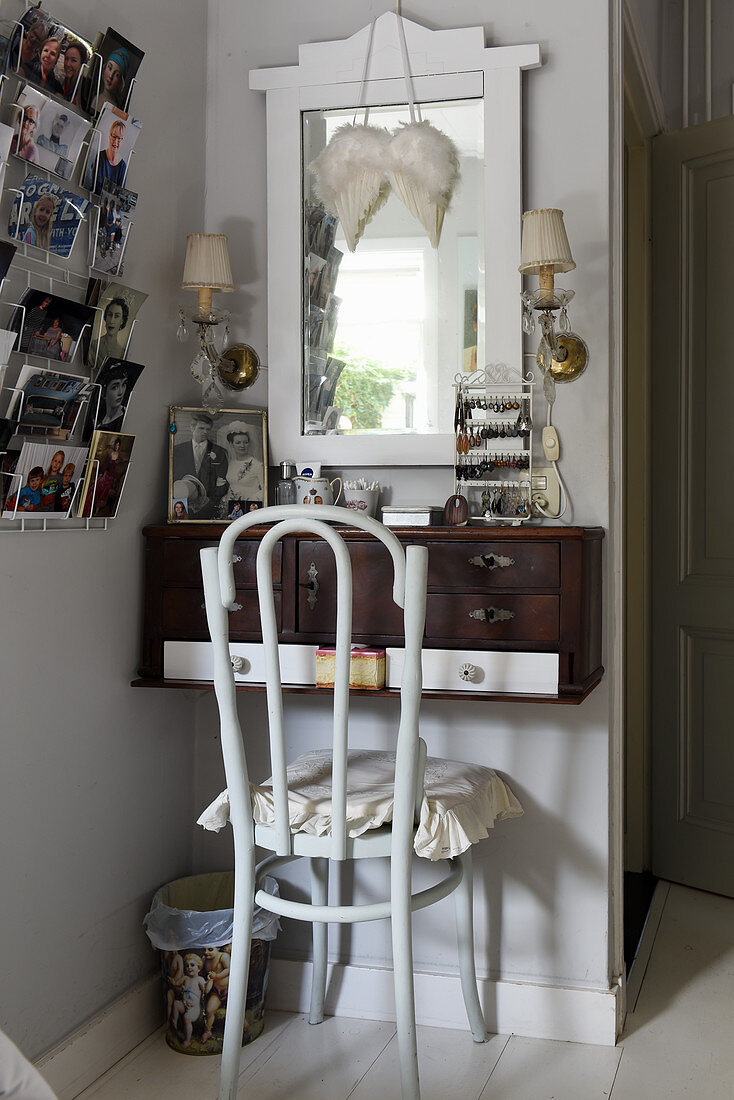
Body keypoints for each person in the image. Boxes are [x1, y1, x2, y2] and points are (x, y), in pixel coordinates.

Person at [172, 412, 229, 520]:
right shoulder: (177, 450)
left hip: (209, 507)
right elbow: (174, 477)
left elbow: (224, 480)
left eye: (208, 429)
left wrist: (210, 503)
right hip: (182, 505)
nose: (205, 432)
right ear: (192, 428)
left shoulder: (220, 452)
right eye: (201, 428)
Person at [221, 422, 264, 512]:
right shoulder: (231, 463)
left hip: (249, 507)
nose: (242, 446)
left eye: (245, 442)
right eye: (238, 442)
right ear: (231, 444)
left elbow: (265, 490)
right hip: (231, 506)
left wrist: (251, 500)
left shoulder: (257, 464)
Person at [171, 954, 206, 1048]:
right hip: (184, 1004)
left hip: (193, 1008)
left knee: (187, 1018)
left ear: (199, 968)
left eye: (192, 965)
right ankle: (174, 1022)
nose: (189, 967)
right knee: (176, 1004)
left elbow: (205, 990)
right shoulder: (185, 978)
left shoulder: (199, 979)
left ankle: (187, 1040)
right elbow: (177, 983)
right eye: (187, 965)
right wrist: (174, 983)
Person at [201, 945, 230, 1043]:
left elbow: (228, 969)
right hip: (216, 990)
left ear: (218, 948)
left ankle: (243, 1025)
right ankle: (208, 1031)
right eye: (204, 949)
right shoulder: (205, 959)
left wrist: (217, 976)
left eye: (210, 949)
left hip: (229, 989)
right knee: (209, 1010)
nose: (206, 952)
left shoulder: (223, 956)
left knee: (235, 1008)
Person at [90, 118, 127, 195]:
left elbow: (118, 194)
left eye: (119, 138)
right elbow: (96, 186)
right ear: (109, 136)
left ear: (122, 140)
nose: (116, 142)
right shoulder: (100, 156)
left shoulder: (123, 166)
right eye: (114, 136)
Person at [90, 48, 130, 113]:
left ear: (120, 82)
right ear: (104, 68)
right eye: (110, 68)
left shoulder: (114, 108)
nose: (111, 76)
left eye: (117, 75)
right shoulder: (96, 97)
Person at [95, 297, 129, 364]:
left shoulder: (122, 353)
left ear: (122, 320)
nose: (111, 321)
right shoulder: (94, 345)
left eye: (116, 316)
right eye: (110, 315)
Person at [98, 364, 129, 431]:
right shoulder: (98, 420)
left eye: (124, 384)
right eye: (115, 387)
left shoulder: (126, 417)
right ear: (103, 392)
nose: (121, 392)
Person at [16, 13, 48, 78]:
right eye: (34, 33)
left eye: (38, 39)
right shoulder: (15, 42)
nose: (34, 39)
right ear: (30, 30)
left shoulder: (37, 62)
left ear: (41, 43)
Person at [163, 951, 184, 1027]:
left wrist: (174, 981)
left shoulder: (178, 958)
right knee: (169, 1001)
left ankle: (179, 1022)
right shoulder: (168, 958)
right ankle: (168, 1021)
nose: (173, 952)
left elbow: (180, 971)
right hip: (172, 986)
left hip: (179, 985)